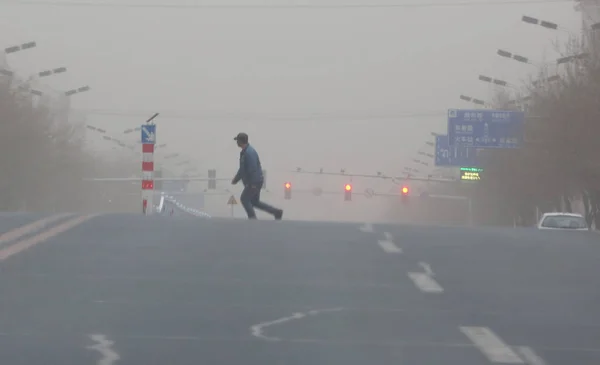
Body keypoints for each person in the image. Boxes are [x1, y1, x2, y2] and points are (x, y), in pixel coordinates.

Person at [231, 132, 283, 220]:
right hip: (256, 180)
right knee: (254, 202)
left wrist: (249, 183)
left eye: (237, 141)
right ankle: (276, 212)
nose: (236, 143)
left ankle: (252, 218)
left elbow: (251, 169)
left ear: (240, 141)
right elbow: (243, 169)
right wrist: (236, 179)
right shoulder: (247, 151)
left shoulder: (248, 153)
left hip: (253, 181)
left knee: (245, 199)